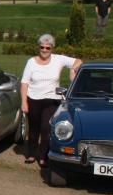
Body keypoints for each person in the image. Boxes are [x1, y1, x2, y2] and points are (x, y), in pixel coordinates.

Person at [20, 34, 82, 168]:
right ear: (39, 47)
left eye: (47, 48)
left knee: (46, 128)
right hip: (33, 98)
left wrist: (73, 69)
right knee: (34, 128)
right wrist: (24, 102)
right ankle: (31, 154)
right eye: (42, 47)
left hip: (52, 99)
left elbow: (78, 61)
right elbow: (24, 83)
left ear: (52, 48)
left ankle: (43, 156)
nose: (44, 50)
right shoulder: (31, 62)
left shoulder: (58, 59)